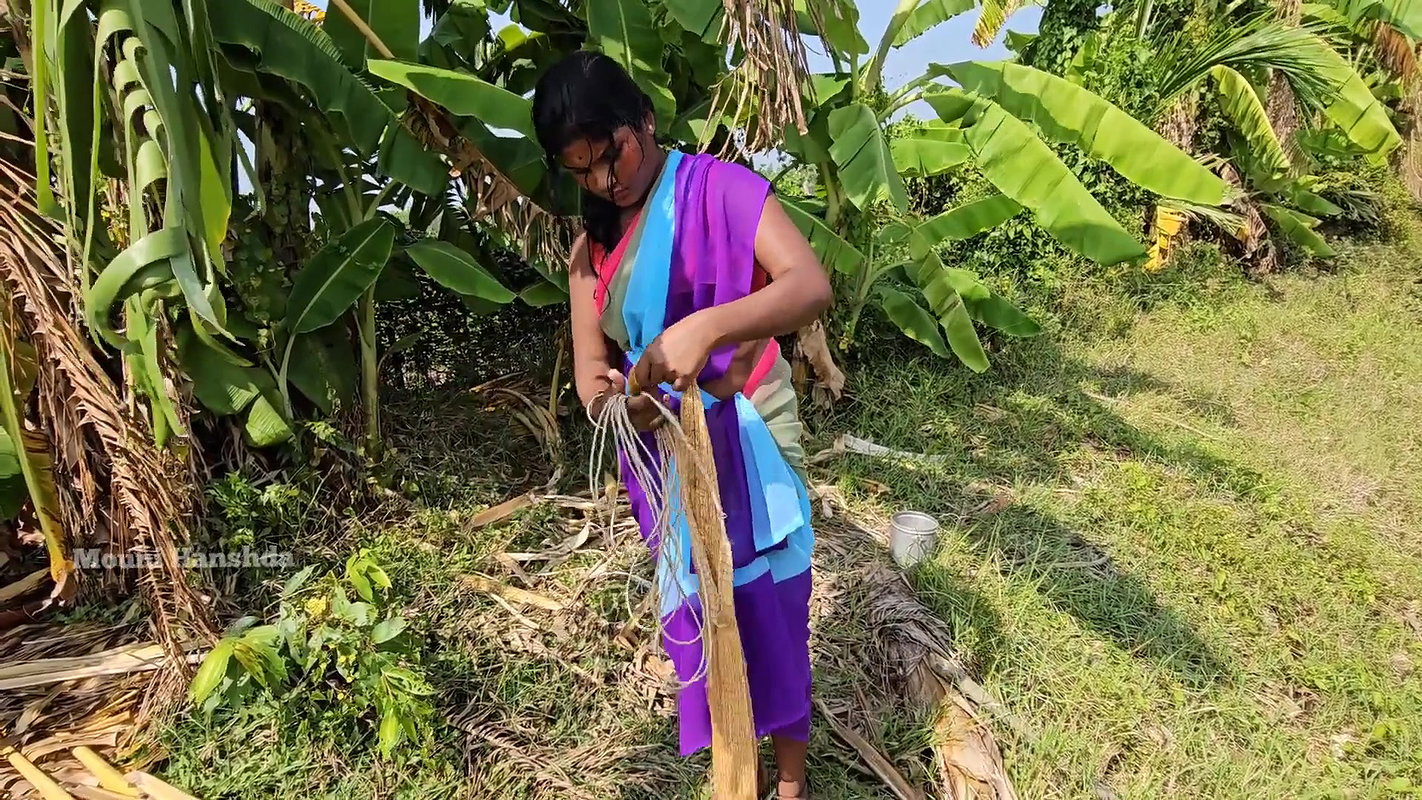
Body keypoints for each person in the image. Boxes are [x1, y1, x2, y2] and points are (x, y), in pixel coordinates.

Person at [532, 51, 834, 799]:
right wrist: (619, 404)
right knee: (707, 611)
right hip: (667, 451)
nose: (605, 181)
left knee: (774, 602)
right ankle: (740, 766)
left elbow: (808, 285)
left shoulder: (717, 189)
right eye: (581, 171)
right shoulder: (588, 255)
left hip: (753, 424)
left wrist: (707, 328)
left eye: (613, 154)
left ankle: (790, 780)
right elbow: (592, 379)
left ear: (645, 120)